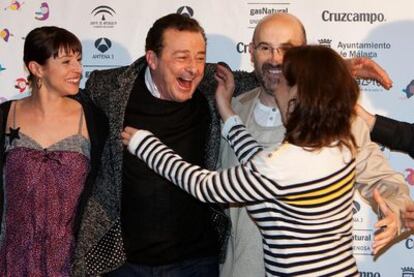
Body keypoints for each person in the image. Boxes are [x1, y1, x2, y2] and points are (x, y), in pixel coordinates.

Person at [122, 45, 397, 277]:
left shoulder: (284, 163)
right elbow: (262, 165)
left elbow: (204, 186)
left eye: (284, 78)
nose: (276, 79)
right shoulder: (338, 142)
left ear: (297, 95)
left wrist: (147, 146)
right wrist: (228, 113)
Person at [217, 13, 413, 277]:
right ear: (251, 52)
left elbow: (383, 181)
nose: (275, 59)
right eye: (265, 48)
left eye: (287, 49)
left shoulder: (339, 120)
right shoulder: (231, 106)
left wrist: (397, 210)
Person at [73, 14, 228, 276]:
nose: (193, 68)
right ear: (152, 59)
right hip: (124, 261)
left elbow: (273, 79)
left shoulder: (215, 85)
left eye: (200, 57)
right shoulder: (109, 88)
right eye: (181, 57)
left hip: (196, 261)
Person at [0, 26, 107, 276]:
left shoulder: (93, 119)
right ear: (36, 68)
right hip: (13, 260)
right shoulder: (6, 115)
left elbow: (106, 191)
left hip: (72, 262)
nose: (78, 70)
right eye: (67, 61)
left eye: (79, 60)